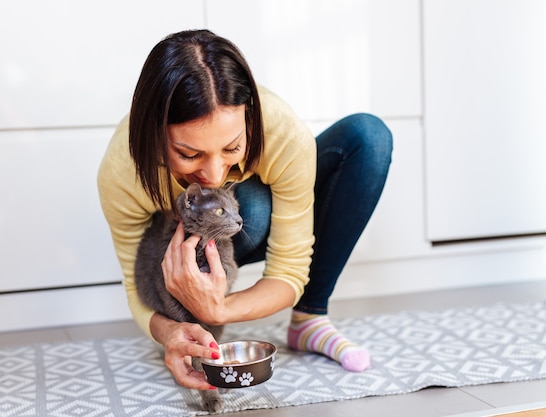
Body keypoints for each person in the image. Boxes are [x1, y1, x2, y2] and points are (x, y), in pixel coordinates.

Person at [98, 29, 392, 391]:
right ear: (154, 137)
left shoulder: (278, 127)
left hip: (244, 223)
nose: (215, 173)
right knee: (236, 206)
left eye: (232, 148)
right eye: (189, 155)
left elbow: (289, 269)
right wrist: (172, 332)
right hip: (190, 251)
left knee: (367, 137)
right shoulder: (122, 171)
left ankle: (309, 319)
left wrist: (219, 311)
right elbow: (135, 286)